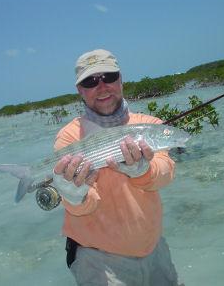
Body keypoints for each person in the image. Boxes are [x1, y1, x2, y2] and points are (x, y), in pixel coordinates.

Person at [52, 49, 180, 286]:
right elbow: (82, 207)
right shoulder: (70, 137)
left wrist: (144, 171)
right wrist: (74, 194)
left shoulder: (149, 124)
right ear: (80, 90)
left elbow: (166, 171)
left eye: (108, 77)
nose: (102, 87)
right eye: (90, 81)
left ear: (121, 79)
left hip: (154, 250)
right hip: (99, 262)